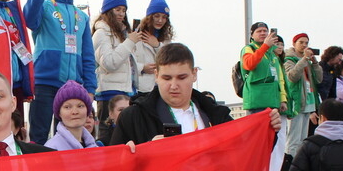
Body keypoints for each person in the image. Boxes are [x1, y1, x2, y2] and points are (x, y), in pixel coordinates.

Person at [110, 43, 281, 146]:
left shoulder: (216, 115)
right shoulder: (134, 117)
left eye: (181, 77)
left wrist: (268, 130)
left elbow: (245, 153)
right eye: (167, 78)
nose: (174, 85)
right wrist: (147, 151)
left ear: (194, 74)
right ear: (156, 76)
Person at [23, 0, 95, 145]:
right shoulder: (44, 6)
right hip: (44, 83)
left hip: (72, 86)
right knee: (38, 135)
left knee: (69, 136)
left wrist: (90, 88)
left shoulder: (82, 16)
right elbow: (29, 19)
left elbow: (88, 56)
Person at [92, 0, 135, 130]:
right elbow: (109, 63)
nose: (121, 14)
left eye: (124, 10)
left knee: (124, 132)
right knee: (108, 134)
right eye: (117, 9)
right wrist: (129, 43)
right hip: (108, 93)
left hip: (124, 91)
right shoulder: (101, 33)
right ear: (108, 11)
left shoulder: (121, 34)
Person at [282, 33, 322, 170]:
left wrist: (314, 62)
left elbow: (319, 79)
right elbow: (292, 76)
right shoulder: (288, 59)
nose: (304, 45)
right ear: (294, 44)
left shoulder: (308, 61)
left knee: (302, 139)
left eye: (306, 43)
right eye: (301, 42)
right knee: (293, 138)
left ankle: (299, 166)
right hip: (296, 102)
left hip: (308, 101)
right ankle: (290, 166)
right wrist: (303, 59)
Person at [130, 0, 174, 96]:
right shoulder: (136, 34)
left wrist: (157, 45)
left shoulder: (166, 38)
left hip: (160, 87)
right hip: (141, 88)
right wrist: (142, 68)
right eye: (157, 16)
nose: (160, 20)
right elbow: (128, 59)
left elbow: (171, 60)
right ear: (150, 17)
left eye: (164, 17)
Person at [240, 22, 286, 115]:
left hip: (272, 101)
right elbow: (249, 64)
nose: (263, 33)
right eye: (259, 31)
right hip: (256, 101)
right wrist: (265, 46)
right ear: (252, 35)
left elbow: (279, 79)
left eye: (265, 31)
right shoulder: (248, 49)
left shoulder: (272, 54)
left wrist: (282, 99)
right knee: (257, 129)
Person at [45, 81, 99, 151]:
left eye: (80, 106)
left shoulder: (95, 147)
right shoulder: (51, 148)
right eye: (67, 107)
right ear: (59, 113)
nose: (75, 112)